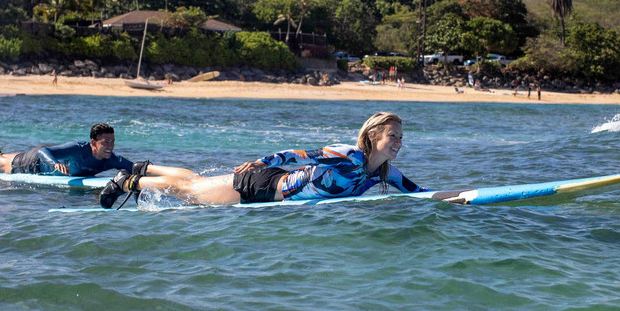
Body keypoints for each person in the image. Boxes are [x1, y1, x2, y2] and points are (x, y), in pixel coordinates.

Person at [99, 111, 424, 209]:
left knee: (196, 181)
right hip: (262, 184)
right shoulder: (349, 156)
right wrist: (260, 160)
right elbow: (300, 154)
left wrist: (461, 199)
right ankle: (128, 180)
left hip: (275, 187)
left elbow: (418, 192)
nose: (397, 142)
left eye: (400, 137)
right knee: (189, 191)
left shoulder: (385, 172)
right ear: (372, 136)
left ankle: (146, 166)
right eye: (392, 135)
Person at [0, 122, 148, 177]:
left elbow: (132, 167)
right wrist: (56, 163)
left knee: (8, 157)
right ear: (93, 143)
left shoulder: (112, 159)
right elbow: (44, 154)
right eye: (105, 142)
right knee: (3, 165)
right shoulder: (78, 149)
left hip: (50, 153)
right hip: (38, 161)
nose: (110, 146)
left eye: (112, 141)